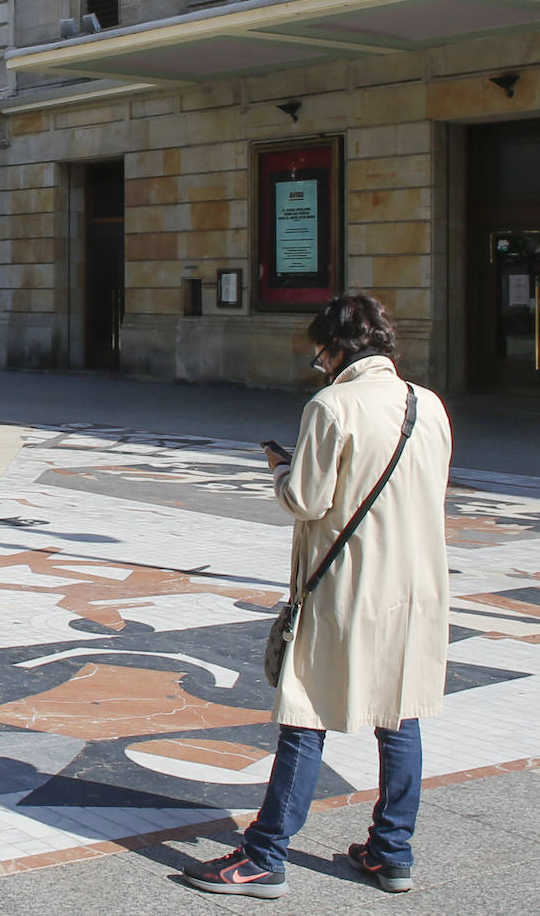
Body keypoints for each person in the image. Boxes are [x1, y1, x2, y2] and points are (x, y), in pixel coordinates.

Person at [182, 295, 452, 900]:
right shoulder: (427, 404)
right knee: (399, 713)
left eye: (319, 354)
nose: (319, 365)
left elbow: (306, 500)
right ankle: (392, 851)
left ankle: (265, 855)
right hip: (416, 587)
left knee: (305, 714)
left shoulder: (331, 405)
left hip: (347, 584)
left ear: (334, 350)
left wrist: (281, 468)